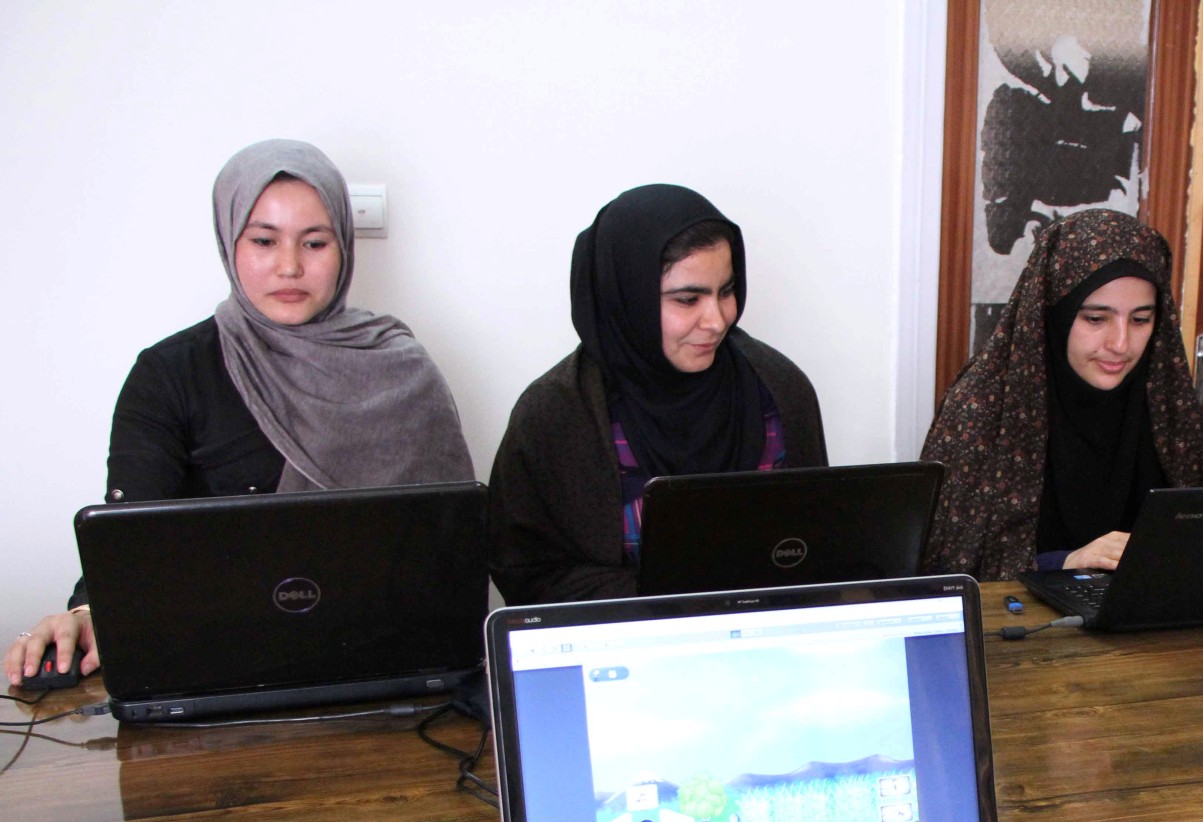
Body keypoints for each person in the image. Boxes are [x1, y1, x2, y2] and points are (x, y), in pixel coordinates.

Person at [4, 139, 471, 688]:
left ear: (344, 245)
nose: (290, 266)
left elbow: (450, 552)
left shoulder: (403, 370)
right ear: (230, 243)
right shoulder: (170, 375)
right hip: (217, 677)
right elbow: (132, 551)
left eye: (315, 242)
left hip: (391, 670)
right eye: (264, 241)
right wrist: (87, 616)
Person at [487, 185, 825, 605]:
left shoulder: (780, 390)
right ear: (626, 297)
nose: (717, 321)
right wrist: (675, 601)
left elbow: (816, 552)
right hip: (614, 655)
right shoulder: (555, 414)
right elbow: (525, 574)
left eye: (726, 291)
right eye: (688, 299)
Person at [920, 209, 1203, 580]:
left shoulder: (1166, 404)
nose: (1121, 344)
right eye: (1096, 319)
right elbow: (947, 575)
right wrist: (1064, 563)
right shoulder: (984, 406)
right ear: (1053, 314)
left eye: (1141, 320)